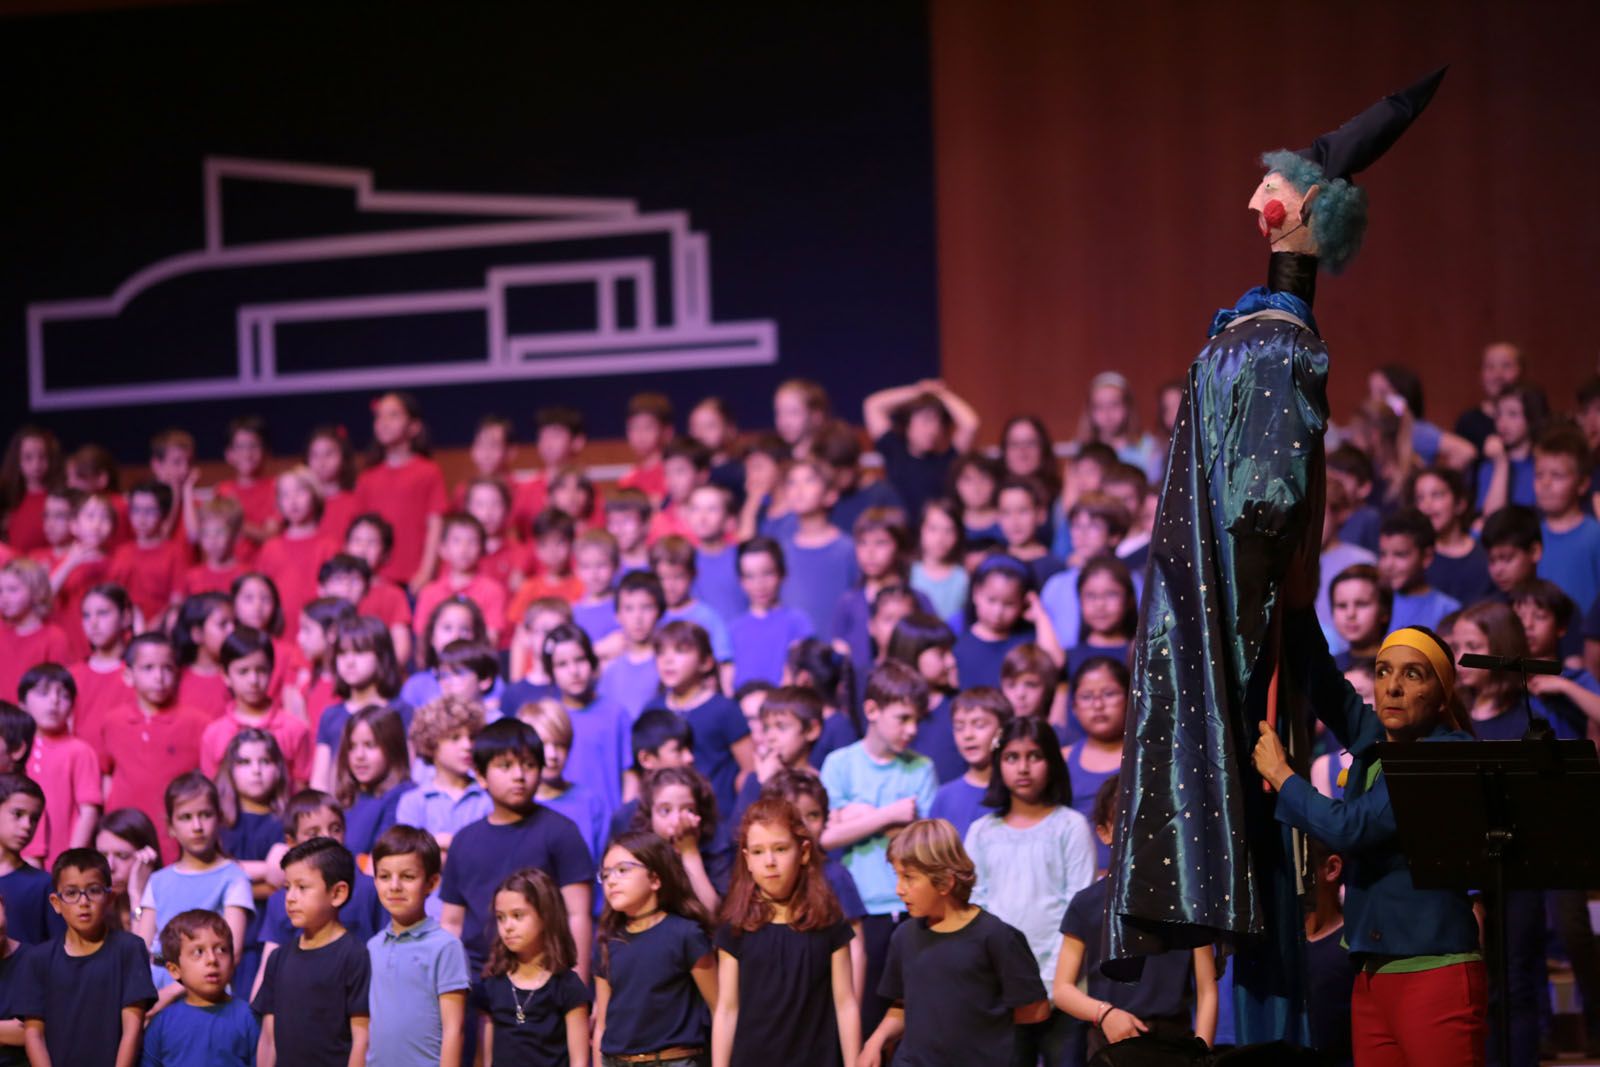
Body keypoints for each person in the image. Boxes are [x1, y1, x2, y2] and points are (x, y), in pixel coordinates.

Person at [1108, 71, 1448, 1045]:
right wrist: (1264, 633)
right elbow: (1264, 500)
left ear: (1299, 211)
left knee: (1259, 841)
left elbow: (1265, 499)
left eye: (1277, 188)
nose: (1256, 197)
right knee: (1252, 845)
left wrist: (1257, 636)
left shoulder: (1264, 340)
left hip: (1231, 613)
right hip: (1237, 613)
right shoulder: (1265, 337)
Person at [1253, 611, 1485, 1063]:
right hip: (1370, 972)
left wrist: (1283, 776)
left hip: (1433, 968)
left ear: (1440, 696)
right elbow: (1323, 681)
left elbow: (1350, 827)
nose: (1392, 687)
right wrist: (1296, 603)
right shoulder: (1378, 739)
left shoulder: (1445, 755)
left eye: (1412, 675)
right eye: (1383, 672)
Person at [860, 818, 1049, 1067]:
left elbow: (1035, 1009)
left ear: (945, 881)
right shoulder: (903, 936)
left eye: (909, 877)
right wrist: (874, 1042)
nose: (899, 889)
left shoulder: (995, 936)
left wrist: (983, 1035)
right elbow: (903, 1005)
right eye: (897, 876)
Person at [1053, 778, 1217, 1058]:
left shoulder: (1188, 902)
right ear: (1104, 832)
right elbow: (1062, 989)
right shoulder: (1087, 904)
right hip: (1109, 1043)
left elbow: (1207, 991)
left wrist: (1203, 1055)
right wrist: (1105, 1014)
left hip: (1173, 1044)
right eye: (1126, 823)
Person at [966, 717, 1098, 1065]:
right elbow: (975, 910)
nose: (1023, 768)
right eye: (1012, 757)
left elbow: (1079, 910)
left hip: (1065, 989)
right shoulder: (982, 832)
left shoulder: (1069, 826)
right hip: (1002, 989)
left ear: (1052, 761)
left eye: (1034, 756)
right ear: (998, 764)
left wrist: (1056, 984)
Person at [817, 661, 938, 1036]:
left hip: (910, 909)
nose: (912, 729)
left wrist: (858, 819)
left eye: (917, 720)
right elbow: (823, 837)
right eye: (902, 718)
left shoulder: (922, 768)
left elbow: (923, 844)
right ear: (872, 710)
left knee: (915, 1020)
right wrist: (889, 815)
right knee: (865, 1017)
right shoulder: (840, 764)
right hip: (860, 910)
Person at [711, 797, 861, 1067]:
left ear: (803, 852)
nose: (769, 861)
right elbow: (726, 1009)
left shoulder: (827, 922)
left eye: (780, 849)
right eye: (757, 852)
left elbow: (845, 1003)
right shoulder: (735, 926)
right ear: (746, 859)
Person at [439, 719, 594, 979]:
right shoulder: (465, 841)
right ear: (480, 775)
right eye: (505, 765)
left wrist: (577, 985)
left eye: (530, 765)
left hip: (545, 976)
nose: (519, 775)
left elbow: (577, 915)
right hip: (477, 978)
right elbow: (451, 922)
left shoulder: (562, 832)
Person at [16, 848, 156, 1066]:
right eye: (71, 893)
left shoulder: (129, 949)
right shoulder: (38, 959)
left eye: (93, 890)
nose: (83, 901)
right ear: (56, 903)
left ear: (109, 898)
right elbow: (34, 1035)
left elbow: (132, 1029)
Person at [592, 830, 717, 1065]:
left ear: (655, 879)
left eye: (622, 870)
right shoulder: (608, 942)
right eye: (606, 875)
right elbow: (602, 1024)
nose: (612, 881)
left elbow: (718, 1007)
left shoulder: (686, 934)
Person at [135, 772, 253, 1011]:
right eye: (186, 817)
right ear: (171, 826)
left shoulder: (232, 876)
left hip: (206, 993)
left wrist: (170, 993)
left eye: (205, 815)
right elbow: (141, 949)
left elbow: (233, 951)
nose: (197, 826)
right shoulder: (159, 880)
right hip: (156, 987)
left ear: (218, 819)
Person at [252, 790, 386, 999]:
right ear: (292, 842)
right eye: (313, 832)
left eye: (335, 829)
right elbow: (268, 969)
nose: (327, 837)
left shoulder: (369, 889)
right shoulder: (282, 899)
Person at [252, 837, 372, 1067]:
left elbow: (362, 1040)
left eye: (302, 887)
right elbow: (269, 1038)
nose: (290, 897)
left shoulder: (354, 956)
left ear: (337, 893)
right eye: (287, 887)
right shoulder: (278, 959)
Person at [100, 633, 210, 861]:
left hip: (175, 840)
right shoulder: (113, 722)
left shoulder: (198, 723)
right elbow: (106, 777)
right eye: (148, 668)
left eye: (167, 668)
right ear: (128, 675)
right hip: (123, 842)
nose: (159, 677)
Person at [367, 826, 470, 1067]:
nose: (394, 886)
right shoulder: (373, 946)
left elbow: (454, 1029)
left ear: (432, 883)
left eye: (407, 876)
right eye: (384, 876)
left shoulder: (445, 947)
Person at [472, 866, 591, 1067]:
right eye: (501, 917)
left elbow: (579, 1061)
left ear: (545, 916)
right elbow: (483, 1058)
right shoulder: (492, 984)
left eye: (518, 916)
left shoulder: (567, 986)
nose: (507, 926)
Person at [644, 621, 753, 820]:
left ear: (706, 662)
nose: (668, 660)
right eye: (661, 652)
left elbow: (749, 771)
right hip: (669, 822)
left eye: (680, 651)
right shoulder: (653, 710)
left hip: (718, 822)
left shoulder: (725, 709)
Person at [214, 727, 290, 996]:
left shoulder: (286, 822)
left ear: (279, 768)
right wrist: (264, 870)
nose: (256, 770)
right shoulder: (217, 823)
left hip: (267, 936)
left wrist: (234, 877)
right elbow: (210, 877)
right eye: (245, 762)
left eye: (265, 761)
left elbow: (283, 884)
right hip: (220, 937)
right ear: (230, 770)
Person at [355, 391, 447, 593]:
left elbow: (435, 523)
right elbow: (360, 530)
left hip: (414, 579)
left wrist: (426, 570)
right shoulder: (367, 477)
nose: (384, 422)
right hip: (376, 578)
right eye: (379, 416)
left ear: (414, 427)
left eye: (393, 415)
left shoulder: (428, 471)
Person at [142, 908, 260, 1066]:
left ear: (232, 962)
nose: (212, 959)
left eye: (221, 950)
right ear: (175, 970)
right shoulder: (162, 1023)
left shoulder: (250, 1018)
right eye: (198, 952)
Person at [542, 622, 632, 825]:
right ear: (551, 672)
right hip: (558, 823)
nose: (574, 671)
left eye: (580, 660)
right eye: (562, 664)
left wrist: (625, 822)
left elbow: (630, 776)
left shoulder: (616, 714)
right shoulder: (548, 717)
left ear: (592, 662)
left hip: (609, 826)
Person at [200, 626, 312, 787]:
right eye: (243, 671)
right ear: (225, 675)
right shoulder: (214, 734)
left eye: (261, 670)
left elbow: (302, 792)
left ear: (272, 671)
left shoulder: (294, 729)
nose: (253, 680)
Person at [311, 614, 408, 793]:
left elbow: (407, 770)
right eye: (342, 653)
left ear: (382, 656)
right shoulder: (331, 715)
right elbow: (319, 781)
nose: (349, 662)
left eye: (360, 652)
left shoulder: (401, 711)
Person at [17, 663, 100, 867]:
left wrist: (71, 860)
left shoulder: (79, 750)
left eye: (63, 695)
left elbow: (88, 810)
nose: (54, 701)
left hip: (59, 861)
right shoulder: (15, 749)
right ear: (22, 704)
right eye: (43, 693)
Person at [862, 380, 979, 523]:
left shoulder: (948, 458)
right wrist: (919, 391)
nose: (933, 430)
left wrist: (941, 395)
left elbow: (970, 424)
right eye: (926, 420)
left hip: (937, 534)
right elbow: (872, 405)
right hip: (900, 535)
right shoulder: (894, 449)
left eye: (938, 422)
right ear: (907, 424)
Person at [396, 695, 492, 858]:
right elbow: (406, 858)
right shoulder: (413, 802)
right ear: (431, 743)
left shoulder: (486, 798)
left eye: (472, 737)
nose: (467, 746)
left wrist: (448, 844)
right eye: (455, 738)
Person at [521, 698, 611, 863]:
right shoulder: (513, 805)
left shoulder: (590, 802)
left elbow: (600, 869)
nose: (552, 755)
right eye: (543, 744)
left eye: (560, 744)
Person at [1061, 656, 1128, 871]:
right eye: (1087, 697)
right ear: (1073, 707)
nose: (1098, 705)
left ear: (1130, 698)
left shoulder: (1145, 758)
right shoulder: (1061, 759)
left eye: (1109, 694)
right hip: (1076, 882)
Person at [636, 765, 729, 914]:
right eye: (665, 811)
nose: (676, 820)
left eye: (687, 810)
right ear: (650, 815)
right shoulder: (638, 854)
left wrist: (689, 851)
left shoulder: (717, 849)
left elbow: (712, 912)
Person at [256, 466, 338, 633]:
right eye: (285, 495)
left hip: (318, 631)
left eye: (300, 492)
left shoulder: (329, 546)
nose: (293, 501)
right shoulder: (270, 548)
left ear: (315, 496)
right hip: (279, 632)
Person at [728, 537, 814, 691]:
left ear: (782, 574)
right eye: (750, 576)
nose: (759, 584)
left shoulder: (798, 622)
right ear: (741, 581)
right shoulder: (734, 629)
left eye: (767, 573)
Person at [885, 613, 962, 783]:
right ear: (912, 652)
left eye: (951, 652)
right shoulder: (885, 710)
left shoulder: (956, 707)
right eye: (941, 654)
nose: (951, 661)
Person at [1534, 424, 1600, 620]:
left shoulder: (1595, 535)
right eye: (1539, 475)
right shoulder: (1530, 535)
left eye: (1557, 475)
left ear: (1582, 484)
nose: (1545, 483)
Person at [928, 687, 1010, 840]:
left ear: (1002, 730)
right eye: (959, 727)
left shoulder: (1014, 793)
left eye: (979, 725)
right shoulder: (945, 797)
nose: (968, 735)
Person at [333, 706, 415, 857]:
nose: (359, 756)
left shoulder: (403, 797)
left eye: (369, 745)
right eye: (352, 747)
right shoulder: (349, 797)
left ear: (392, 747)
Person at [1410, 465, 1495, 608]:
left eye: (1437, 495)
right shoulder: (1416, 559)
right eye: (1420, 498)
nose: (1427, 504)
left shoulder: (1484, 554)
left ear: (1460, 504)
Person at [107, 480, 186, 630]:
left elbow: (177, 600)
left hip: (161, 630)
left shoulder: (174, 551)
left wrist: (152, 627)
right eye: (136, 510)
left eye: (150, 511)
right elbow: (112, 596)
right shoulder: (121, 552)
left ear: (163, 514)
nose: (141, 518)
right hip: (125, 628)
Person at [68, 583, 134, 749]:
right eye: (86, 615)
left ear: (125, 617)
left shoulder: (138, 673)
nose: (93, 623)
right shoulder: (73, 674)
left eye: (103, 613)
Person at [1377, 509, 1461, 633]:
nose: (1388, 565)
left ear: (1427, 557)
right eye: (1383, 554)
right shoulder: (1374, 602)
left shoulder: (1447, 610)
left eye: (1400, 555)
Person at [0, 560, 71, 705]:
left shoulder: (53, 637)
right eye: (0, 591)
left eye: (13, 589)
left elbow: (59, 689)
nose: (4, 598)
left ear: (36, 592)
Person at [596, 571, 665, 719]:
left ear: (659, 611)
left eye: (646, 607)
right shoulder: (609, 667)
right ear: (617, 615)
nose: (637, 617)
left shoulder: (665, 661)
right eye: (629, 608)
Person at [0, 773, 57, 946]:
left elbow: (57, 953)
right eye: (18, 814)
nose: (27, 825)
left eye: (34, 819)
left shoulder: (44, 884)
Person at [1477, 385, 1547, 512]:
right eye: (1498, 415)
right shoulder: (1489, 466)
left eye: (1512, 414)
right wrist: (1501, 463)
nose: (1502, 423)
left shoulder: (1543, 463)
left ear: (1531, 418)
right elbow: (1492, 520)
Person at [688, 484, 747, 624]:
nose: (702, 517)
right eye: (695, 509)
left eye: (712, 509)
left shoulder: (742, 558)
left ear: (727, 517)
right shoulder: (685, 561)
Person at [911, 498, 969, 622]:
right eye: (933, 529)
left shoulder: (963, 578)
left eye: (949, 531)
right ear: (921, 529)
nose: (940, 538)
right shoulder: (907, 573)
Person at [619, 392, 675, 503]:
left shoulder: (673, 474)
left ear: (667, 432)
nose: (640, 435)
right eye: (633, 428)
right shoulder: (627, 480)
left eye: (648, 427)